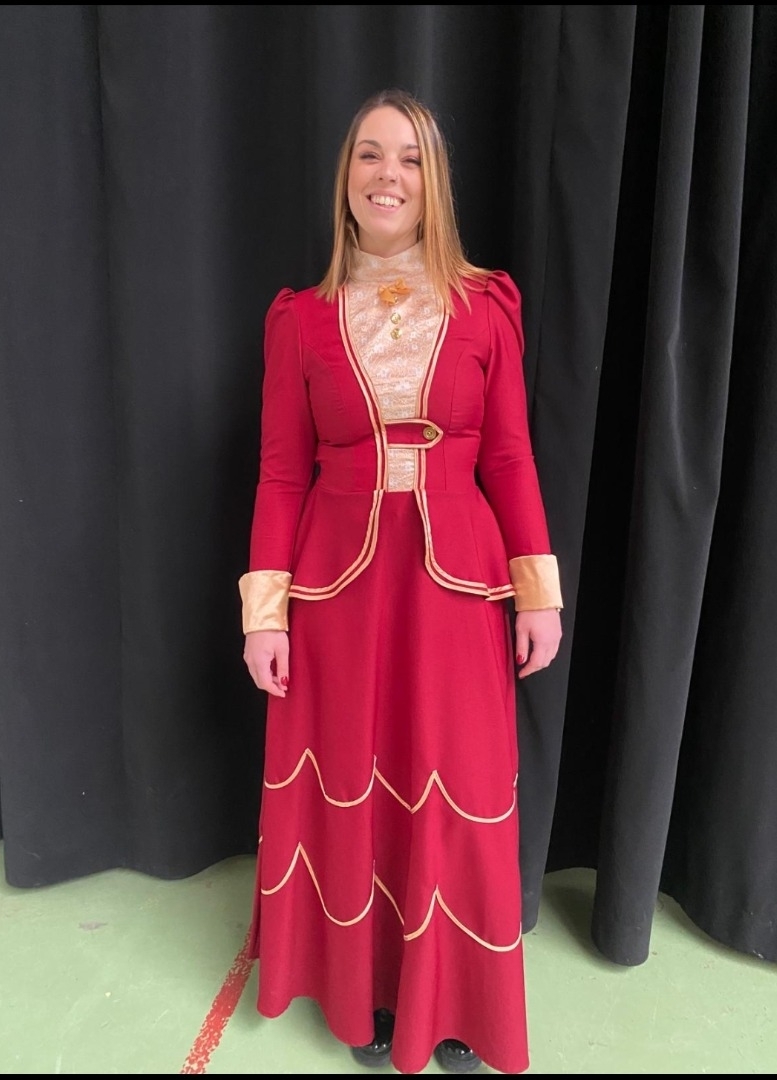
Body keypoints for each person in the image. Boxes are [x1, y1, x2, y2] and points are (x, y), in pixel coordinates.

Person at [238, 87, 563, 1075]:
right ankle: (368, 996)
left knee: (453, 790)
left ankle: (453, 1006)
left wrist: (538, 592)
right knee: (356, 788)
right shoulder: (299, 319)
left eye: (411, 157)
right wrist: (264, 613)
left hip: (455, 589)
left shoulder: (485, 304)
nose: (389, 175)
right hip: (335, 594)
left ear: (435, 182)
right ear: (347, 176)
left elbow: (508, 456)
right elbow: (281, 473)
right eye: (371, 154)